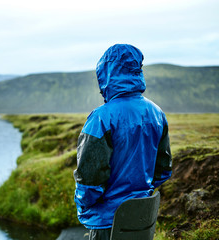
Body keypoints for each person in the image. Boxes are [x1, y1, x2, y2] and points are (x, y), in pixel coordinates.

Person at [73, 44, 172, 240]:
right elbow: (163, 169)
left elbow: (89, 179)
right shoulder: (156, 113)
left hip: (107, 222)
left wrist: (83, 204)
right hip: (142, 219)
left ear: (106, 73)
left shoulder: (101, 118)